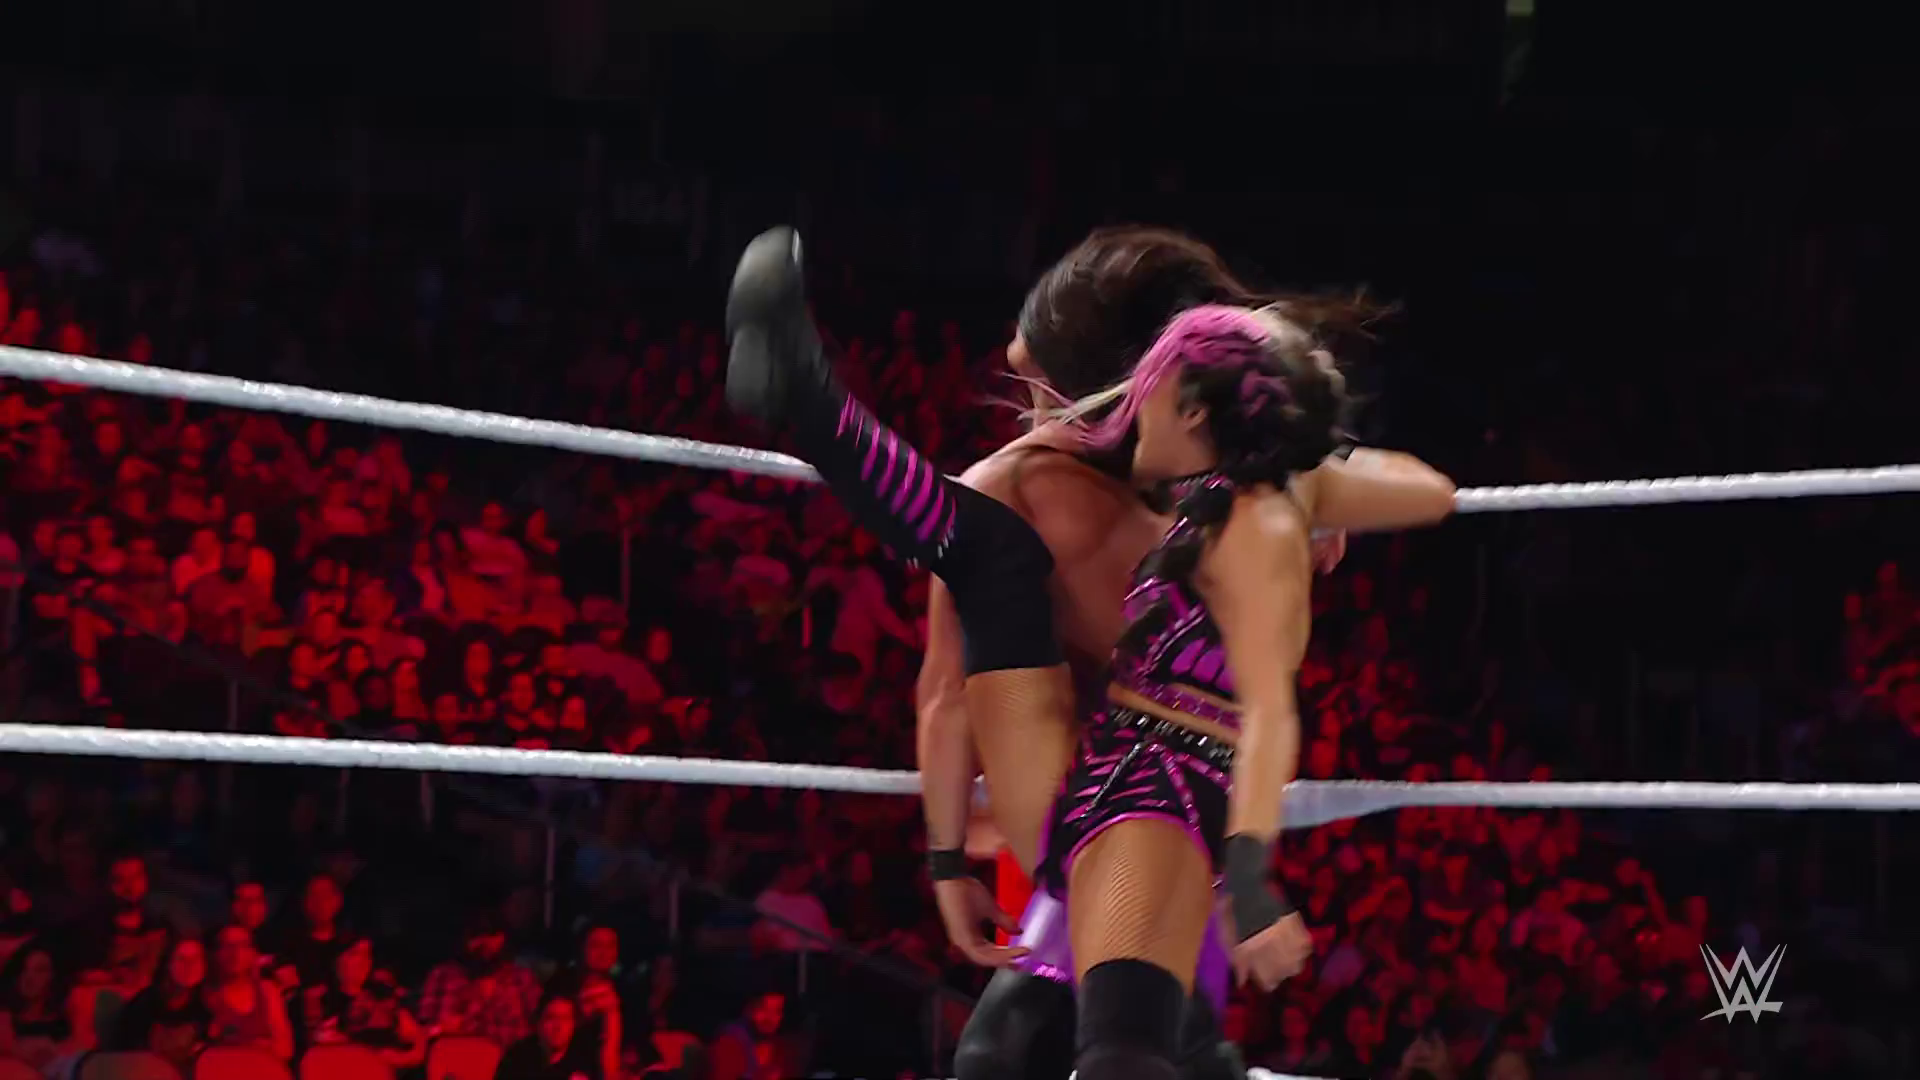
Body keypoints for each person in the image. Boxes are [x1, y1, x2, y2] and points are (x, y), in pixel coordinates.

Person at [728, 226, 1452, 1077]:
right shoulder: (1077, 484)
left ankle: (811, 406)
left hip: (1146, 801)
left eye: (1037, 381)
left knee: (1082, 1045)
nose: (1028, 411)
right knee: (1091, 1036)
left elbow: (956, 697)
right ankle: (809, 403)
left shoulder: (1128, 495)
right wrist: (1322, 468)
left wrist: (1318, 471)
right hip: (1105, 791)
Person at [1023, 304, 1452, 1079]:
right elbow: (1430, 490)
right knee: (1141, 1043)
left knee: (1119, 1056)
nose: (1133, 406)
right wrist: (1315, 468)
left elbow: (1269, 712)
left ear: (1193, 409)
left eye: (1148, 389)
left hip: (1155, 786)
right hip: (1145, 778)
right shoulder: (1251, 494)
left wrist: (1250, 881)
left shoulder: (1254, 526)